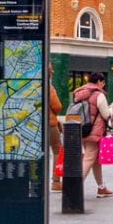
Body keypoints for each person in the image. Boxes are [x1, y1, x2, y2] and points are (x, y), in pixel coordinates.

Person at [73, 72, 113, 198]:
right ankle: (74, 187)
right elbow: (106, 114)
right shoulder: (99, 95)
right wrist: (112, 109)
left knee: (96, 160)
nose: (104, 84)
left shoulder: (80, 93)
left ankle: (101, 188)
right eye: (103, 82)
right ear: (99, 82)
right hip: (94, 131)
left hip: (81, 129)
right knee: (90, 158)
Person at [47, 63, 63, 192]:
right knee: (57, 151)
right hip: (50, 123)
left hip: (32, 124)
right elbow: (57, 106)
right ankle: (56, 182)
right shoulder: (49, 87)